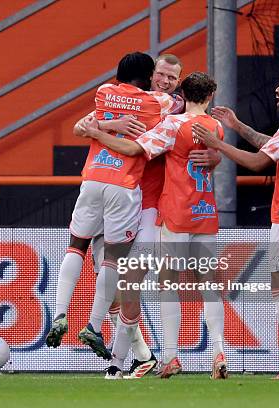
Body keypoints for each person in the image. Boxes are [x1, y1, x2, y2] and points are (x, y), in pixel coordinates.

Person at [47, 53, 220, 379]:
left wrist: (214, 157)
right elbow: (80, 126)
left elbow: (202, 138)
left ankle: (118, 362)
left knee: (129, 281)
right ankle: (139, 357)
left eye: (173, 78)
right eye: (162, 75)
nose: (166, 82)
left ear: (179, 83)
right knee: (113, 283)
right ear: (151, 74)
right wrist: (105, 125)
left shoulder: (175, 112)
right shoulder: (155, 105)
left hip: (147, 207)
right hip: (121, 196)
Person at [193, 70, 279, 379]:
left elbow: (258, 162)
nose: (277, 90)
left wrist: (218, 143)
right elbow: (275, 145)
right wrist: (237, 126)